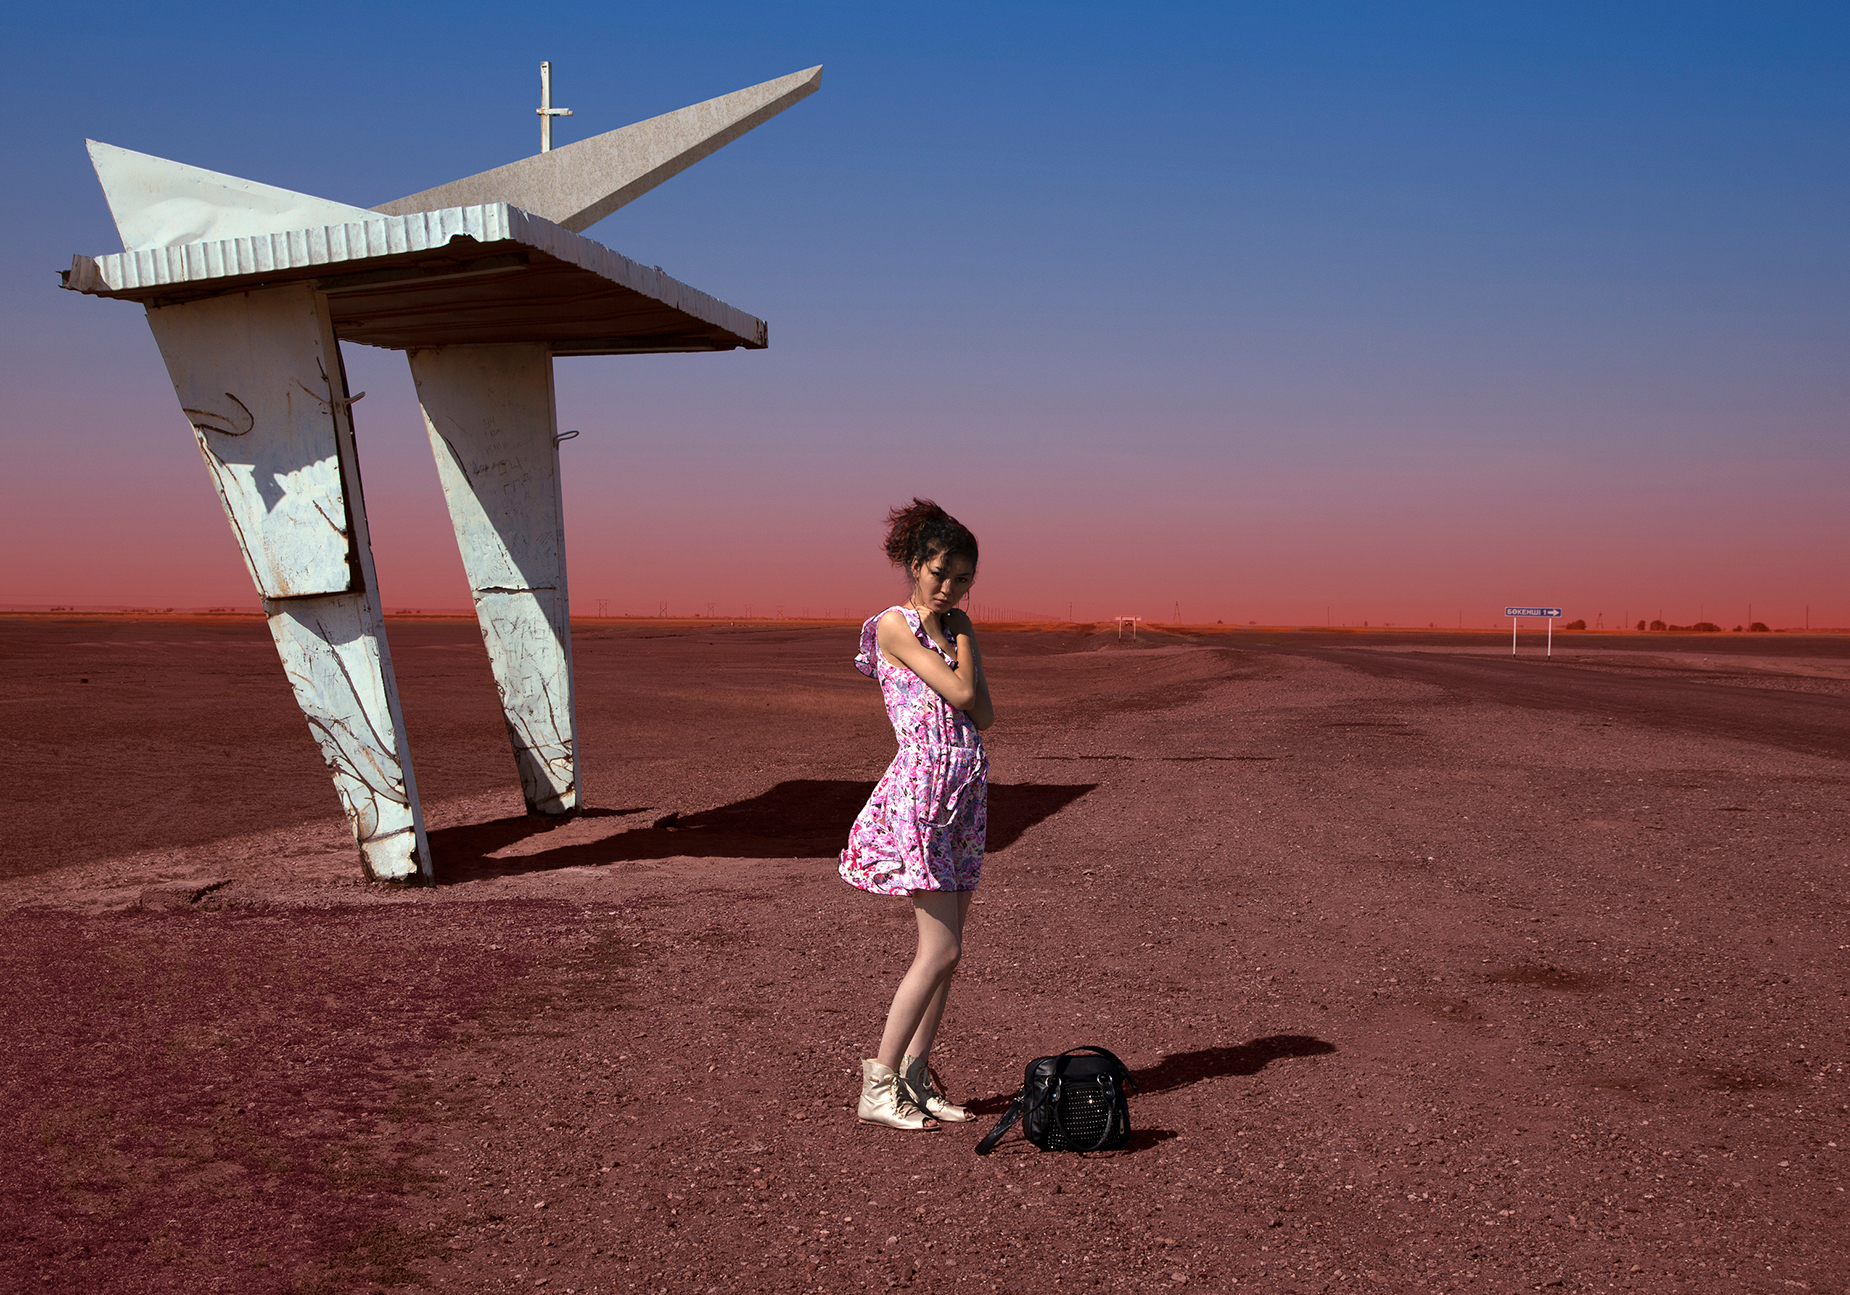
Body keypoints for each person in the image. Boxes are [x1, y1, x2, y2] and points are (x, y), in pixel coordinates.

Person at [841, 499, 995, 1131]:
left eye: (963, 579)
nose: (950, 589)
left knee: (951, 954)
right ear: (914, 565)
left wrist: (961, 636)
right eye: (940, 573)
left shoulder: (950, 629)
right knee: (940, 947)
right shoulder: (893, 625)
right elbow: (962, 691)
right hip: (924, 791)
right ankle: (877, 1086)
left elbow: (984, 715)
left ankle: (914, 1076)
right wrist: (965, 635)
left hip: (964, 788)